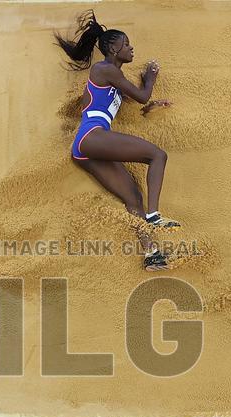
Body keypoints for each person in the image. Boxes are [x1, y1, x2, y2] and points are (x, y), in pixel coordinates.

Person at [55, 10, 178, 272]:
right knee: (157, 155)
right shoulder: (104, 69)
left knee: (133, 197)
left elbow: (141, 103)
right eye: (127, 45)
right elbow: (142, 95)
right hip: (92, 136)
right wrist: (151, 78)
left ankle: (151, 255)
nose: (131, 49)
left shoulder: (114, 82)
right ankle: (154, 216)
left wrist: (153, 105)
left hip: (87, 149)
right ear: (113, 48)